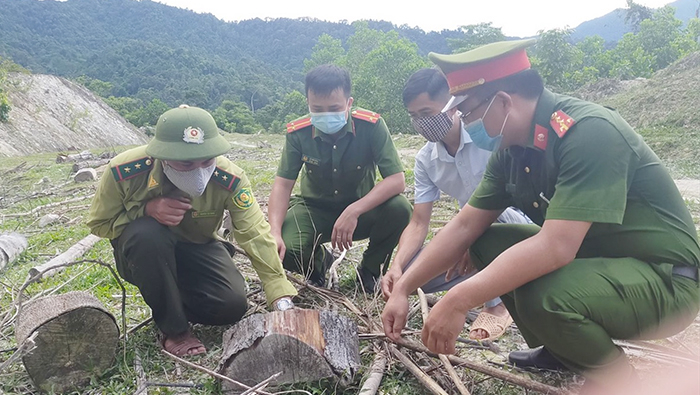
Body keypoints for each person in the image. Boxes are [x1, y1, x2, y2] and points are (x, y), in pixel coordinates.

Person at [381, 39, 699, 390]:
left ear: (502, 102)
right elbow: (466, 225)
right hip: (597, 263)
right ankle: (563, 347)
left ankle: (618, 380)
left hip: (665, 280)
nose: (465, 122)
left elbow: (557, 247)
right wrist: (405, 288)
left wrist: (458, 300)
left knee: (542, 298)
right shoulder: (513, 148)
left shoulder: (589, 132)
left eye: (468, 113)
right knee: (486, 241)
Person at [87, 105, 297, 357]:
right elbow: (100, 223)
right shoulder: (125, 172)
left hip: (198, 247)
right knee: (147, 234)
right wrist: (145, 211)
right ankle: (174, 330)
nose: (199, 171)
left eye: (207, 160)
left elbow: (254, 232)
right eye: (186, 164)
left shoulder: (230, 178)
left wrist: (280, 295)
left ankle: (168, 296)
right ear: (163, 156)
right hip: (144, 253)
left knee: (231, 306)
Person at [381, 68, 531, 342]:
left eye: (426, 113)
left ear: (451, 105)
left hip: (515, 225)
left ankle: (496, 304)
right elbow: (418, 222)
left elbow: (502, 203)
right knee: (415, 276)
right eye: (414, 116)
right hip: (467, 231)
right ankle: (490, 280)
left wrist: (472, 239)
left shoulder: (488, 137)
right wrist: (398, 267)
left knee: (490, 227)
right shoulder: (427, 159)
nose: (421, 123)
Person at [268, 64, 412, 293]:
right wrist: (274, 232)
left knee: (400, 209)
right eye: (317, 108)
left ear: (349, 103)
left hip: (362, 210)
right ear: (308, 103)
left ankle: (370, 270)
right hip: (314, 209)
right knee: (286, 247)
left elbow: (396, 180)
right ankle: (317, 266)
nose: (326, 114)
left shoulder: (371, 126)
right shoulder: (298, 132)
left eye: (334, 107)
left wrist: (354, 210)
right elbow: (282, 185)